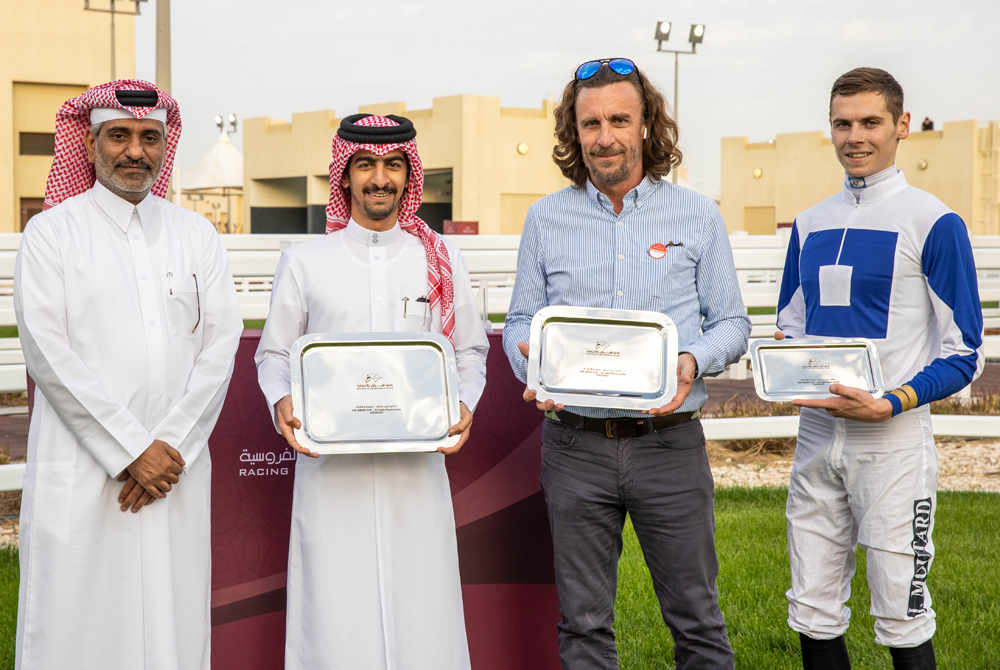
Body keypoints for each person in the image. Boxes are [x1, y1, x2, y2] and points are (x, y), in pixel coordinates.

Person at [502, 58, 750, 670]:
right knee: (583, 627)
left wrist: (693, 359)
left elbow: (733, 324)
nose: (604, 136)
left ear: (646, 127)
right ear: (574, 131)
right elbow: (517, 325)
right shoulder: (545, 219)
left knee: (698, 622)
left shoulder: (697, 215)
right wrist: (530, 366)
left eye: (619, 119)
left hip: (669, 445)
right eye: (590, 123)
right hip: (574, 447)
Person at [13, 80, 243, 669]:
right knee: (75, 622)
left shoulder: (197, 235)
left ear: (165, 146)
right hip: (84, 465)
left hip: (173, 469)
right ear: (89, 143)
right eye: (118, 135)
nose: (134, 151)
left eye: (148, 137)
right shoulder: (52, 233)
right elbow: (48, 352)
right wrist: (130, 449)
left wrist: (169, 447)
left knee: (172, 618)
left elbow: (219, 348)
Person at [255, 113, 489, 670]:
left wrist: (464, 405)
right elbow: (274, 354)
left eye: (392, 165)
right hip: (330, 470)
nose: (379, 178)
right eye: (365, 165)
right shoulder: (305, 261)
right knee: (334, 615)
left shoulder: (440, 258)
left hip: (417, 469)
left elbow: (470, 352)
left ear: (410, 176)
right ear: (345, 176)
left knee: (423, 609)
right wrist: (281, 400)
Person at [776, 67, 982, 670]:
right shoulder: (810, 221)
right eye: (842, 123)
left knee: (901, 612)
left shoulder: (932, 220)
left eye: (870, 122)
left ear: (902, 126)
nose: (854, 136)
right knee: (811, 608)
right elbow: (791, 326)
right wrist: (791, 372)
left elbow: (965, 352)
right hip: (817, 435)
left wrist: (890, 401)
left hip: (892, 440)